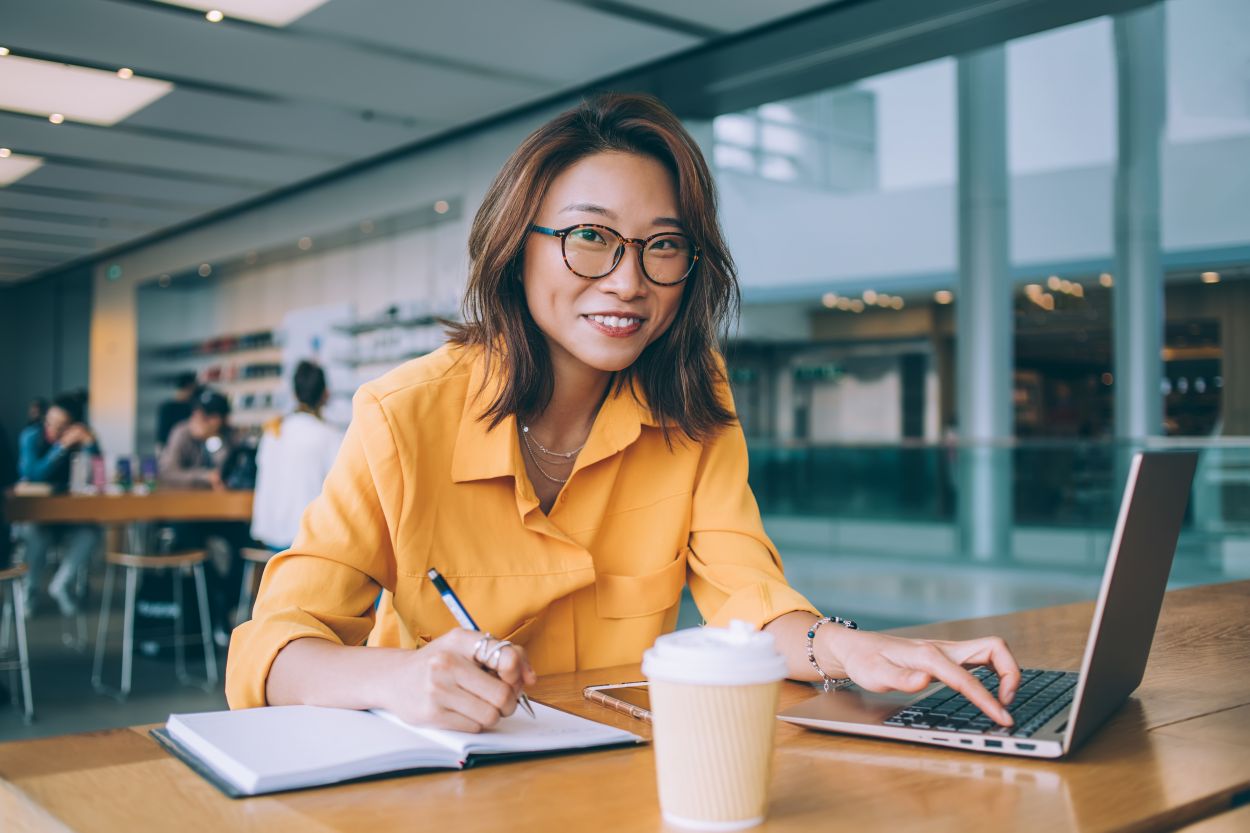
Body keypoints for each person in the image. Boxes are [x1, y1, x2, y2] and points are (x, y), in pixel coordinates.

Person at [227, 94, 1021, 733]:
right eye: (590, 237)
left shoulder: (692, 399)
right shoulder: (404, 415)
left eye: (662, 245)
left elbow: (747, 596)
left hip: (623, 782)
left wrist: (847, 648)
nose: (627, 280)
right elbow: (272, 645)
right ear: (518, 247)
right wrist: (397, 675)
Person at [17, 391, 103, 616]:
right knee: (34, 533)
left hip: (69, 516)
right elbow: (34, 473)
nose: (52, 430)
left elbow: (99, 478)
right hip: (37, 515)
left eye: (61, 426)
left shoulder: (82, 439)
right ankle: (30, 589)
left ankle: (61, 584)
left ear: (74, 426)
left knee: (91, 533)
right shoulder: (31, 436)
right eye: (50, 422)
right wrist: (61, 447)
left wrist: (90, 444)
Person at [250, 361, 343, 551]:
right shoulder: (329, 435)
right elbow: (341, 487)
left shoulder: (274, 431)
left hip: (272, 535)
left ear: (294, 393)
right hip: (308, 538)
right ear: (325, 393)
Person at [158, 389, 234, 490]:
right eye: (197, 412)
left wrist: (211, 437)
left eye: (207, 415)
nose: (199, 418)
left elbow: (225, 473)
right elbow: (167, 472)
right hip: (183, 497)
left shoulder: (230, 435)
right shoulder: (182, 432)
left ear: (222, 419)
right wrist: (205, 476)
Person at [157, 372, 200, 449]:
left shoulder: (194, 406)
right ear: (189, 387)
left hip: (189, 448)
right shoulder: (168, 408)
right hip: (172, 448)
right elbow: (162, 435)